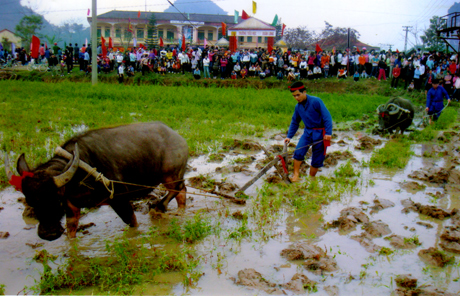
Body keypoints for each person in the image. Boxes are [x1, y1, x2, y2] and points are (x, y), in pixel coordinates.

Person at [284, 82, 332, 181]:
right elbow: (295, 122)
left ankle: (311, 178)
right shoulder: (298, 107)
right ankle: (296, 176)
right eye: (294, 96)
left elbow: (327, 117)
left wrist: (328, 133)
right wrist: (289, 136)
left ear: (304, 92)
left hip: (320, 133)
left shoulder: (316, 101)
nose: (296, 98)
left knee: (317, 158)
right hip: (308, 132)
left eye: (298, 95)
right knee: (298, 152)